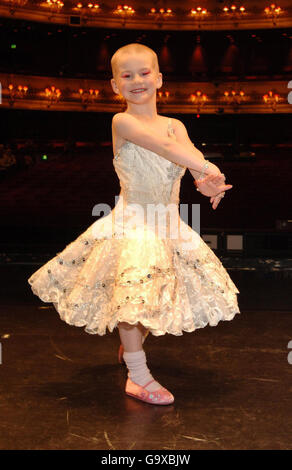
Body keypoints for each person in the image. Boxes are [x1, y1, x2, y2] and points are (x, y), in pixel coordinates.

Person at [28, 43, 240, 406]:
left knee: (148, 296)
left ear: (159, 78)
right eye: (127, 76)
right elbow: (167, 149)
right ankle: (138, 376)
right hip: (135, 222)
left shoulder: (176, 124)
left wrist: (206, 181)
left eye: (144, 73)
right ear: (114, 85)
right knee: (132, 295)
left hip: (168, 224)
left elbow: (189, 158)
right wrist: (211, 168)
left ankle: (130, 350)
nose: (137, 81)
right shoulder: (122, 121)